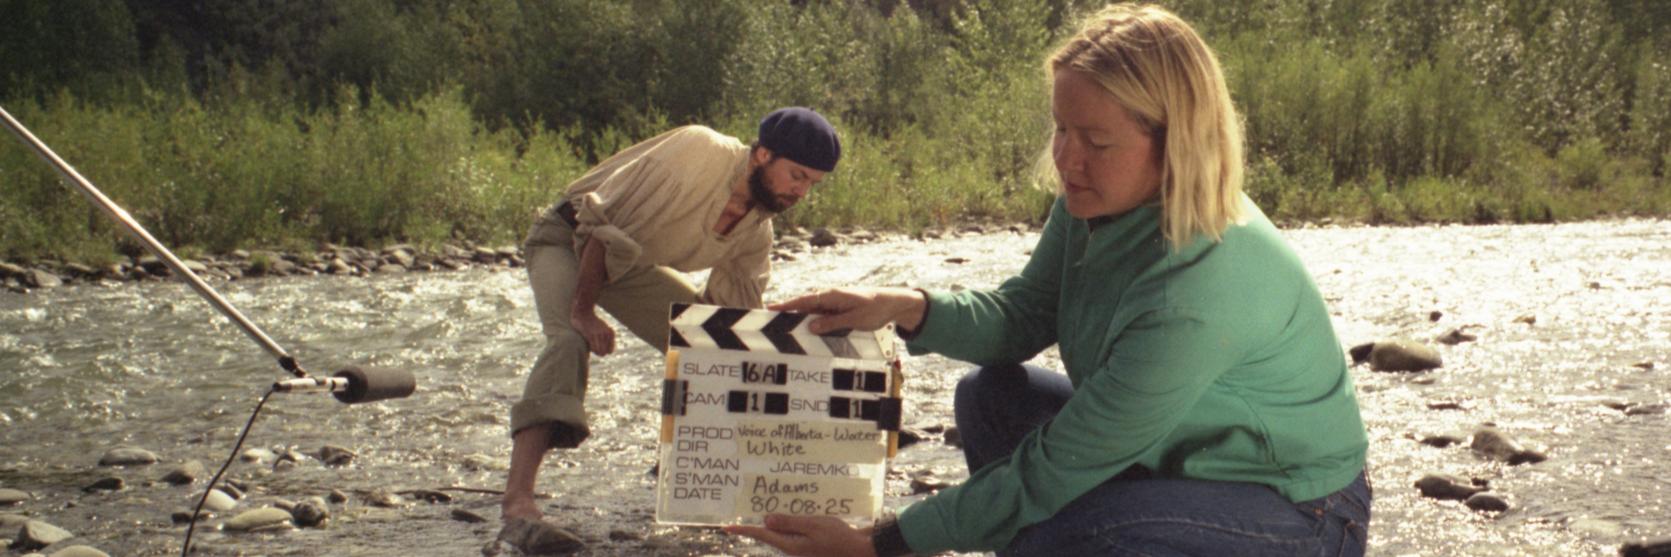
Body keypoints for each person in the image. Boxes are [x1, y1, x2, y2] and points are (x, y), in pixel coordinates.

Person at [726, 5, 1370, 556]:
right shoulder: (1094, 203)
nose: (1065, 159)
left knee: (1062, 531)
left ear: (1176, 144)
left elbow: (1056, 466)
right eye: (1061, 128)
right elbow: (1027, 313)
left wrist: (882, 542)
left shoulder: (1200, 287)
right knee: (989, 397)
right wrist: (904, 307)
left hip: (1301, 507)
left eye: (1096, 141)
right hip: (1171, 458)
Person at [499, 107, 841, 553]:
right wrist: (582, 311)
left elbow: (739, 328)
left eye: (812, 183)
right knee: (568, 340)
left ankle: (685, 476)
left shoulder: (756, 232)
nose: (801, 192)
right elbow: (602, 225)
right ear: (763, 154)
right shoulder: (699, 151)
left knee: (715, 344)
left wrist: (824, 349)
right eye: (797, 175)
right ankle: (518, 503)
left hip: (627, 264)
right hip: (568, 239)